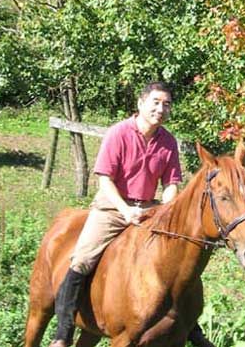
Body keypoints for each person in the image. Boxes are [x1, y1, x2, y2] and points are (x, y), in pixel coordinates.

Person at [49, 80, 214, 347]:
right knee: (81, 258)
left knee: (177, 262)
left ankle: (190, 327)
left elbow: (171, 183)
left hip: (150, 208)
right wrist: (125, 211)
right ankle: (63, 332)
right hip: (113, 206)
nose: (161, 109)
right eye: (156, 103)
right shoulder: (119, 133)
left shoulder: (168, 141)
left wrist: (165, 210)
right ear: (141, 104)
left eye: (167, 104)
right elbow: (105, 179)